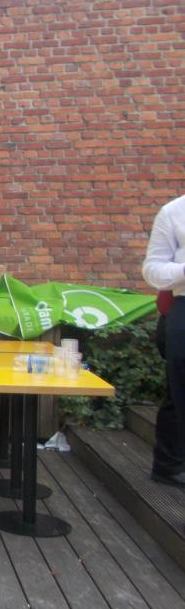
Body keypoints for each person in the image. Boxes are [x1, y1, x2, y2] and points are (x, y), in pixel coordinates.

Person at [142, 194, 185, 487]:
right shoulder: (173, 212)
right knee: (180, 393)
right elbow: (152, 270)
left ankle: (168, 465)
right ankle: (168, 465)